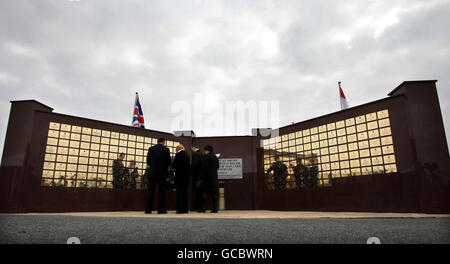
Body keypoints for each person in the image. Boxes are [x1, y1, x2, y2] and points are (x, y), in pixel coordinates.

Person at [145, 137, 171, 214]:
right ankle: (161, 209)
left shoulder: (151, 149)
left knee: (150, 191)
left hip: (152, 173)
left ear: (157, 141)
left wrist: (153, 166)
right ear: (163, 142)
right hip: (162, 173)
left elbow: (148, 161)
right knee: (161, 191)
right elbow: (168, 161)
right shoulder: (166, 149)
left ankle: (148, 210)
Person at [200, 145, 219, 213]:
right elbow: (217, 167)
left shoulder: (205, 156)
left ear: (207, 150)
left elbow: (204, 167)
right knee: (214, 193)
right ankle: (215, 208)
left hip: (206, 177)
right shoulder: (215, 157)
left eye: (204, 150)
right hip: (214, 177)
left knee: (204, 192)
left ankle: (203, 208)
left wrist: (202, 175)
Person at [173, 144, 190, 214]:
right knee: (185, 193)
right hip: (186, 177)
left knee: (179, 193)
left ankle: (180, 209)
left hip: (179, 177)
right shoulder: (187, 155)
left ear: (177, 149)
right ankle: (185, 209)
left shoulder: (178, 155)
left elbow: (174, 165)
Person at [190, 144, 205, 212]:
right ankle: (202, 207)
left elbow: (195, 165)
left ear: (194, 148)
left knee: (197, 193)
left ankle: (198, 208)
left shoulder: (196, 155)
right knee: (201, 192)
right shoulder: (202, 154)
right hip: (202, 176)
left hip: (196, 176)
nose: (192, 151)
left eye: (192, 149)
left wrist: (191, 170)